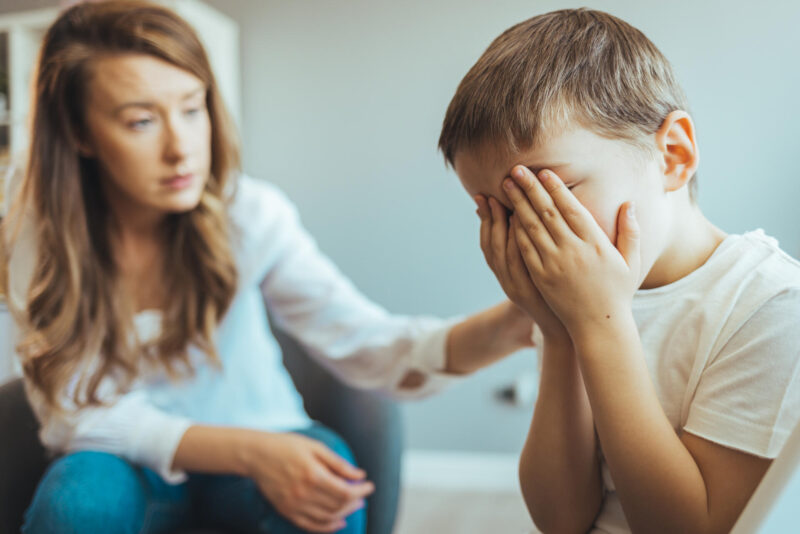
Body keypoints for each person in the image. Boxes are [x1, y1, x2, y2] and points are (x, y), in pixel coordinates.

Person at [0, 2, 536, 533]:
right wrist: (253, 453)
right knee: (77, 502)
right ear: (78, 133)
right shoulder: (32, 235)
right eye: (141, 121)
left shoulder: (250, 215)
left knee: (329, 487)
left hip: (264, 429)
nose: (181, 148)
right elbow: (75, 416)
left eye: (192, 108)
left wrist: (512, 324)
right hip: (125, 463)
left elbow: (371, 347)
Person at [438, 8, 800, 534]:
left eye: (549, 194)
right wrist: (559, 335)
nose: (529, 236)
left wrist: (597, 322)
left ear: (673, 156)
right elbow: (561, 520)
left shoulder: (770, 307)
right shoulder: (571, 297)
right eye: (499, 212)